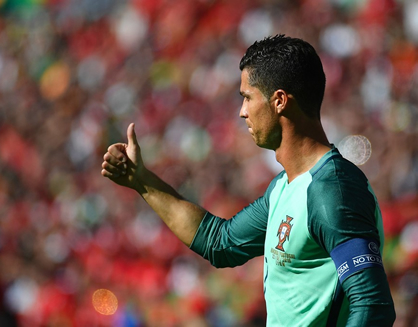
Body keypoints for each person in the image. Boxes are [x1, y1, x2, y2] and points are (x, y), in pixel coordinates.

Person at [100, 35, 396, 326]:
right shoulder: (285, 186)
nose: (242, 112)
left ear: (279, 101)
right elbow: (220, 243)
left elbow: (372, 304)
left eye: (247, 97)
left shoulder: (333, 191)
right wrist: (141, 181)